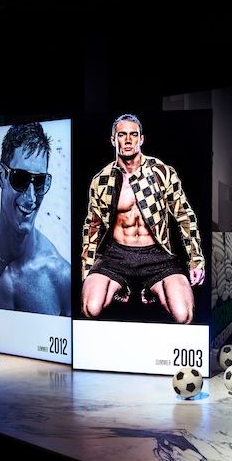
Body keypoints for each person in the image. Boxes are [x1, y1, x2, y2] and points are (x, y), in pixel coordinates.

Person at [81, 113, 205, 324]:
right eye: (122, 135)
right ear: (113, 139)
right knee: (90, 308)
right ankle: (127, 286)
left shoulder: (161, 172)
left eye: (133, 134)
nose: (128, 140)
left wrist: (196, 260)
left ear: (141, 139)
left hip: (157, 256)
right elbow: (92, 227)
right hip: (116, 256)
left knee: (183, 314)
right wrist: (87, 269)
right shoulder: (101, 180)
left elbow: (184, 215)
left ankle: (150, 289)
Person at [0, 122, 71, 315]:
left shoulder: (60, 276)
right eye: (20, 179)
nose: (31, 198)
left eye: (39, 182)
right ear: (1, 176)